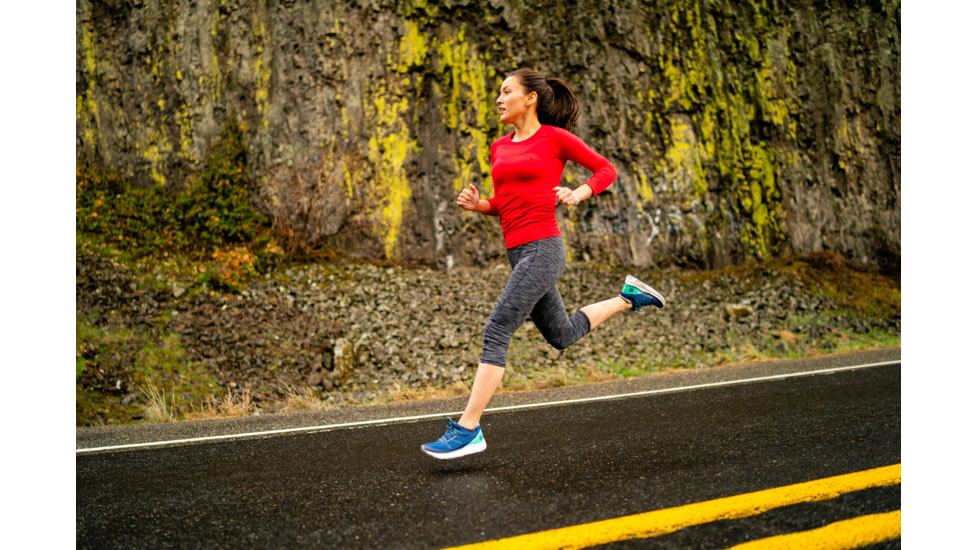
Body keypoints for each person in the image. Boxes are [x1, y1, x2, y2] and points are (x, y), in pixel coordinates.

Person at [421, 68, 666, 459]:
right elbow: (505, 204)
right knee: (562, 335)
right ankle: (628, 297)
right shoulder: (499, 147)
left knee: (497, 328)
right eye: (498, 93)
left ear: (530, 97)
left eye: (506, 91)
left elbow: (606, 169)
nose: (499, 99)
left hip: (543, 248)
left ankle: (468, 428)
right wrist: (479, 205)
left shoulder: (554, 139)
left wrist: (580, 191)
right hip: (518, 251)